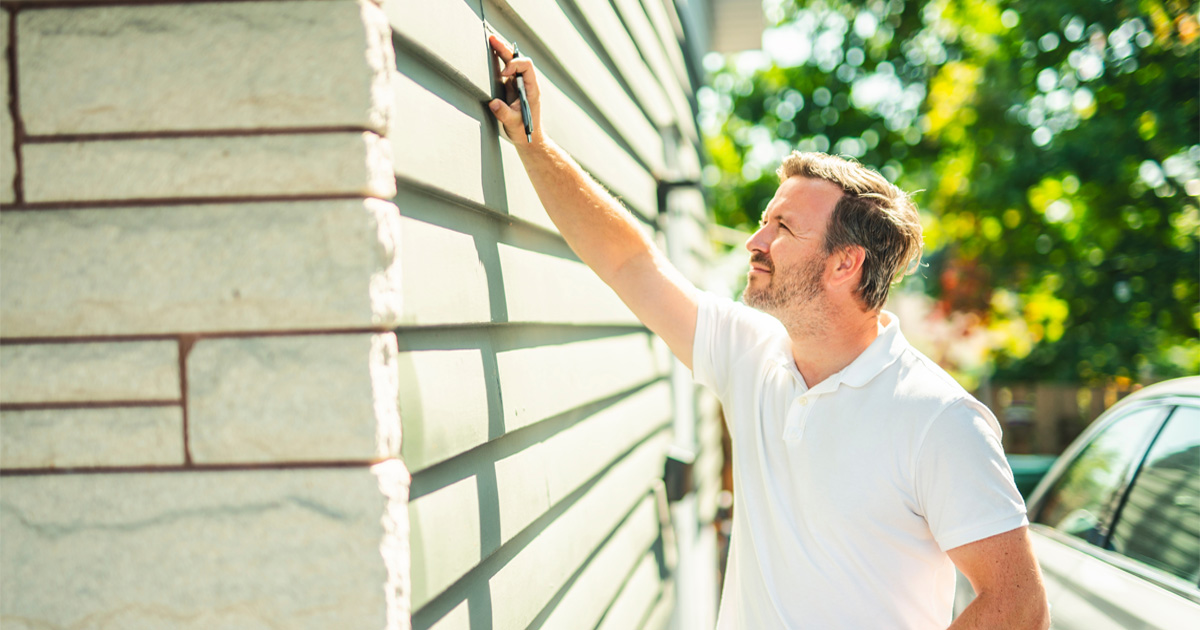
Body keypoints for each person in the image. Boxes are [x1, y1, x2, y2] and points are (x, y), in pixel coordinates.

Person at [486, 36, 1050, 630]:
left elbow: (1017, 604)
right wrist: (536, 148)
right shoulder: (750, 353)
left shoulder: (939, 418)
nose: (755, 243)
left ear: (843, 264)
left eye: (782, 227)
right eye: (763, 221)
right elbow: (631, 263)